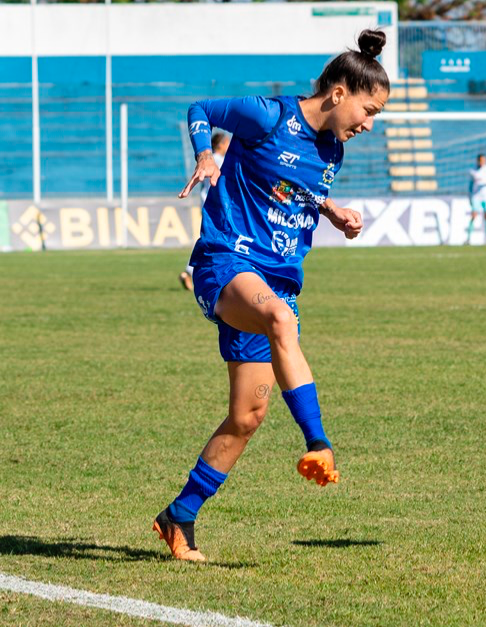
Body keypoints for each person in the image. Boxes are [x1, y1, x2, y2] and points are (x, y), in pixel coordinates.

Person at [152, 30, 389, 562]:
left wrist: (332, 211)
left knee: (247, 416)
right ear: (338, 93)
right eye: (368, 110)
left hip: (275, 278)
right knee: (282, 321)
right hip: (225, 262)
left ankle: (179, 516)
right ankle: (318, 442)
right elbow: (200, 108)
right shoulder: (268, 116)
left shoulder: (332, 148)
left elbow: (297, 187)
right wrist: (205, 156)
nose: (369, 125)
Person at [179, 131, 230, 291]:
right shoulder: (220, 161)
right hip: (219, 207)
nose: (229, 145)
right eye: (227, 142)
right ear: (221, 144)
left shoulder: (209, 161)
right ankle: (190, 271)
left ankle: (201, 273)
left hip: (208, 204)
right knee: (215, 241)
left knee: (213, 240)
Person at [465, 153, 486, 245]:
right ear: (478, 161)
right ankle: (468, 238)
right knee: (474, 215)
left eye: (484, 160)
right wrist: (469, 196)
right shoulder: (473, 171)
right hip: (476, 196)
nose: (482, 162)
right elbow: (470, 185)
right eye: (481, 160)